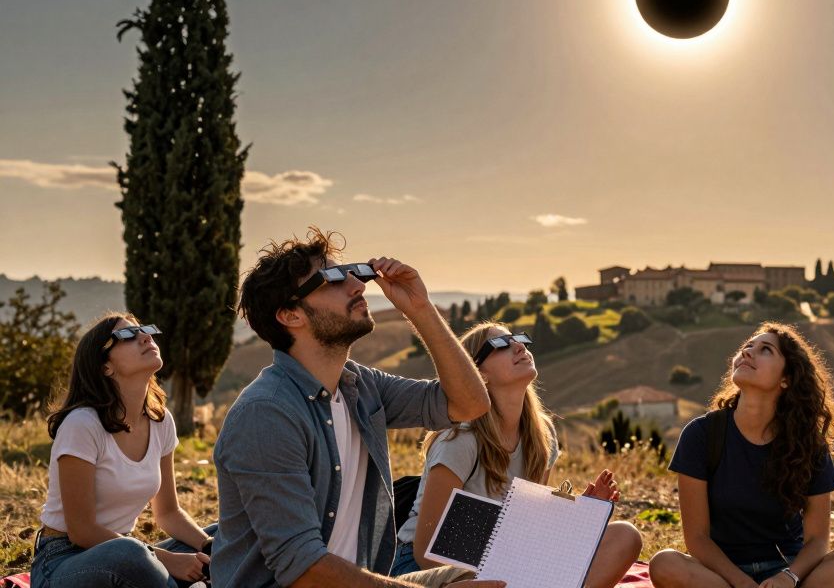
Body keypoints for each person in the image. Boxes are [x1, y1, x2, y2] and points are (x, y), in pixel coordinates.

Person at [212, 228, 500, 588]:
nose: (358, 286)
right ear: (290, 315)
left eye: (353, 273)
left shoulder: (358, 386)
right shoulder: (266, 414)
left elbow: (469, 403)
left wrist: (420, 308)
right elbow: (302, 568)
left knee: (496, 576)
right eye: (333, 278)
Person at [392, 322, 642, 587]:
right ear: (477, 373)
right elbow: (425, 550)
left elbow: (528, 528)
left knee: (625, 537)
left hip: (505, 557)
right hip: (431, 568)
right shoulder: (460, 439)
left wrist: (580, 516)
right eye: (501, 345)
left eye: (518, 339)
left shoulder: (542, 434)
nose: (519, 347)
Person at [649, 322, 834, 588]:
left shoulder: (807, 443)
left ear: (786, 379)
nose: (747, 353)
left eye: (765, 350)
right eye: (747, 346)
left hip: (788, 571)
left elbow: (817, 541)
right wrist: (742, 583)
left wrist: (788, 577)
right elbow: (698, 539)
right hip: (722, 576)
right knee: (664, 564)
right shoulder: (701, 434)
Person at [33, 314, 215, 588]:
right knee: (132, 554)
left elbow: (168, 513)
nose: (145, 337)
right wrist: (166, 560)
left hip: (130, 555)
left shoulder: (160, 421)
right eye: (127, 336)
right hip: (64, 561)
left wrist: (210, 547)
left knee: (229, 535)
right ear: (105, 366)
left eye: (145, 330)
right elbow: (82, 531)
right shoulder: (82, 424)